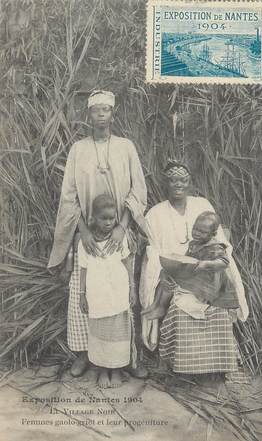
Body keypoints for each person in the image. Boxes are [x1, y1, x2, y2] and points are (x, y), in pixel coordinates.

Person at [48, 90, 147, 377]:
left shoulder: (126, 147)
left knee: (122, 296)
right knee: (83, 295)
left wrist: (122, 227)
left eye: (106, 110)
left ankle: (127, 358)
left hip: (118, 232)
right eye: (96, 111)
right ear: (89, 116)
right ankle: (84, 355)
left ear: (113, 115)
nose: (101, 115)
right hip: (88, 234)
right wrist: (84, 233)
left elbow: (137, 191)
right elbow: (69, 197)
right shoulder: (78, 149)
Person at [139, 160, 248, 376]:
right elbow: (153, 252)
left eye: (183, 180)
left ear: (190, 182)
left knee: (215, 299)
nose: (178, 185)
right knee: (166, 280)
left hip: (206, 273)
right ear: (165, 183)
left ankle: (216, 365)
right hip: (174, 271)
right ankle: (174, 354)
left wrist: (207, 263)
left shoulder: (202, 205)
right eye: (172, 180)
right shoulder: (155, 212)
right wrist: (165, 270)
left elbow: (220, 242)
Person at [78, 194, 134, 388]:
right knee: (100, 332)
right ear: (93, 217)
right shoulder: (86, 243)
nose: (109, 223)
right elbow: (83, 270)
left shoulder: (120, 239)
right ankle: (103, 370)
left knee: (118, 333)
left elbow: (127, 264)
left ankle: (117, 370)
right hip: (97, 295)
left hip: (118, 293)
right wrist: (82, 294)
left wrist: (132, 288)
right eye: (104, 218)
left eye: (112, 218)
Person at [141, 210, 239, 321]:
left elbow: (224, 261)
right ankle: (156, 304)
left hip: (211, 284)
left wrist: (206, 264)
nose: (197, 233)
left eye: (202, 232)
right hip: (198, 276)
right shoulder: (194, 244)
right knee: (165, 272)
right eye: (195, 229)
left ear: (213, 234)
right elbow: (187, 259)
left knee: (174, 278)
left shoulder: (215, 247)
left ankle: (162, 307)